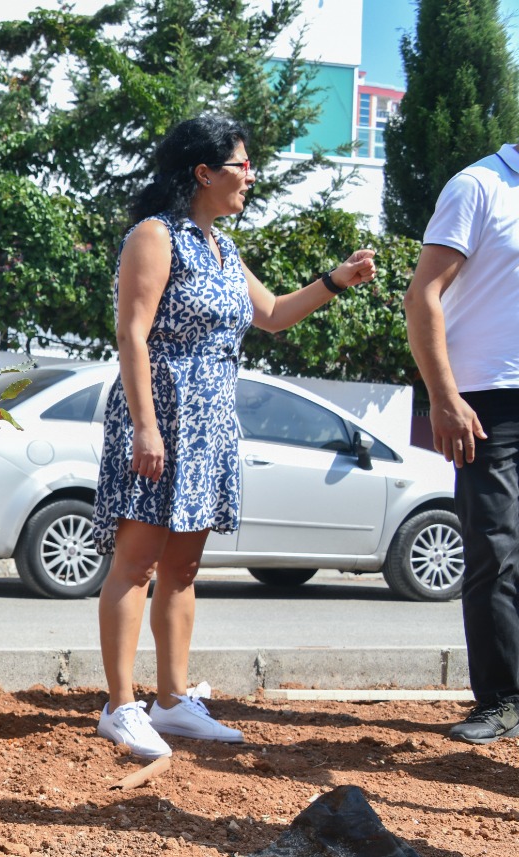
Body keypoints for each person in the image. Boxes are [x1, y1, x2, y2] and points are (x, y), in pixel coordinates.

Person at [92, 114, 377, 760]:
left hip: (211, 421)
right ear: (203, 171)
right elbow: (132, 333)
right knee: (135, 564)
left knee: (183, 568)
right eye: (242, 165)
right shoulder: (155, 236)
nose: (251, 176)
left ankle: (171, 702)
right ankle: (120, 705)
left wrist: (336, 280)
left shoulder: (219, 245)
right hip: (161, 414)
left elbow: (272, 315)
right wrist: (145, 425)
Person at [404, 142, 519, 744]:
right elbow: (422, 294)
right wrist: (444, 397)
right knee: (495, 548)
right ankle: (502, 699)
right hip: (488, 400)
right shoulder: (478, 187)